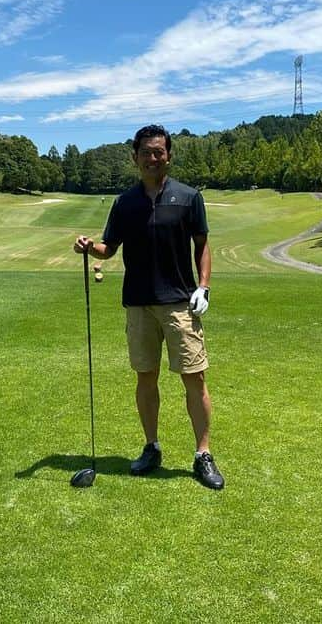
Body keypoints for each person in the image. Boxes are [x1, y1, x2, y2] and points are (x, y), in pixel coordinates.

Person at [73, 124, 223, 490]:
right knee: (146, 377)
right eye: (146, 153)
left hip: (179, 303)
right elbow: (110, 249)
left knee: (194, 378)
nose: (153, 158)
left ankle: (202, 454)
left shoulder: (189, 197)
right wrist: (90, 247)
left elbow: (201, 245)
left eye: (159, 152)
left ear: (168, 155)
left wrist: (203, 287)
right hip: (138, 303)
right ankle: (152, 446)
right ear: (135, 158)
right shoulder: (125, 203)